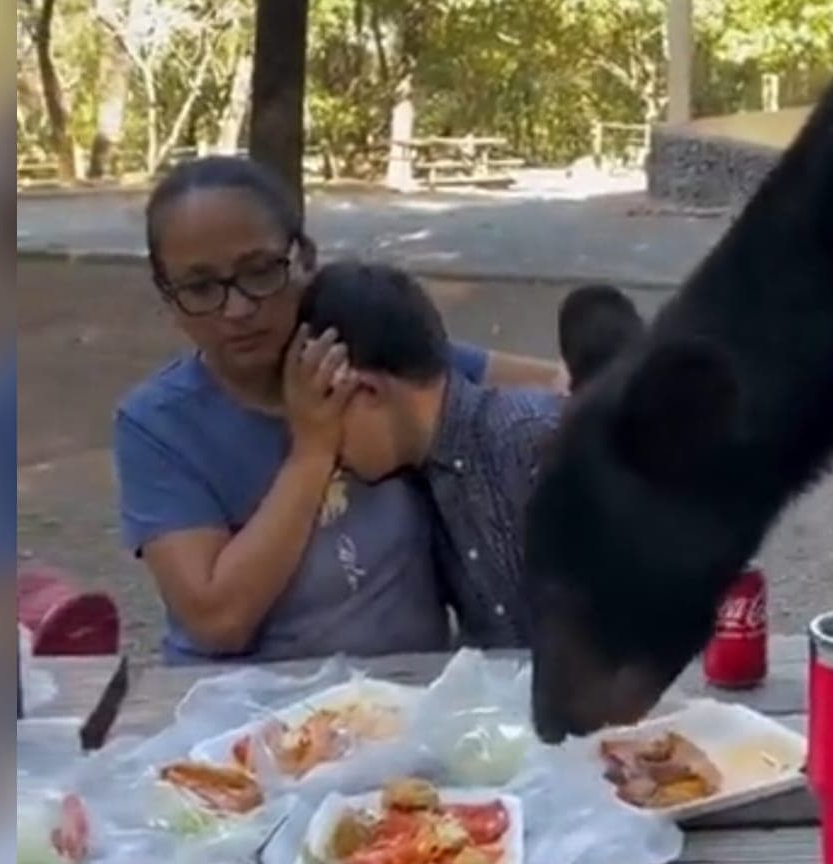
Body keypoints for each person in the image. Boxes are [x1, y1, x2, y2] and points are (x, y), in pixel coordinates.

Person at [114, 156, 564, 663]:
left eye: (260, 272)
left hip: (407, 695)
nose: (237, 309)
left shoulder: (360, 349)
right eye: (200, 288)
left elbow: (561, 383)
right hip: (242, 699)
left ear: (304, 258)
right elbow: (217, 622)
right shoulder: (159, 425)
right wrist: (312, 452)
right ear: (167, 297)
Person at [298, 261, 563, 647]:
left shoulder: (529, 443)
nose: (323, 441)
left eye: (323, 409)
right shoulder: (424, 478)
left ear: (367, 390)